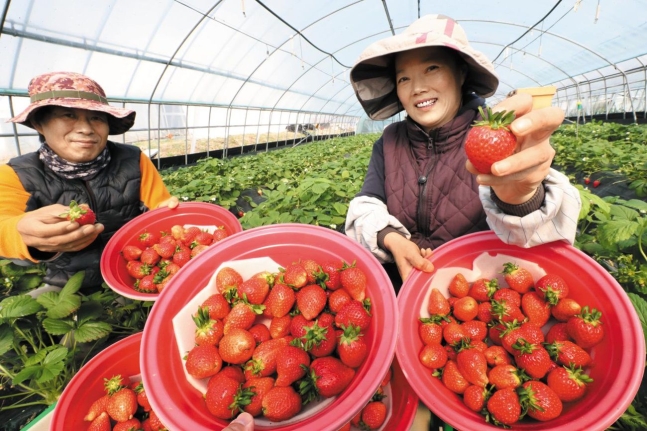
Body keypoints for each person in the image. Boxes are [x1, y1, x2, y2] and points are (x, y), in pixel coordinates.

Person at [345, 14, 581, 289]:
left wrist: (522, 198)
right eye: (404, 78)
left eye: (432, 68)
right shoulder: (389, 141)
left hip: (477, 294)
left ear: (461, 73)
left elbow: (537, 231)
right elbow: (368, 203)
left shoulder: (497, 135)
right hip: (404, 288)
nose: (417, 88)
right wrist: (391, 237)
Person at [1, 71, 179, 290]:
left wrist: (168, 213)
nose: (86, 129)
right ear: (39, 123)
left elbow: (160, 207)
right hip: (67, 286)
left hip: (138, 274)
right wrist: (22, 232)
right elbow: (3, 225)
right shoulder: (14, 174)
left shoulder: (133, 159)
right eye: (68, 115)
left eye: (96, 118)